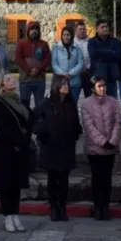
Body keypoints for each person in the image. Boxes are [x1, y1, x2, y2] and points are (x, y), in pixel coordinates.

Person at [34, 75, 83, 221]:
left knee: (64, 180)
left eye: (66, 84)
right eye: (62, 84)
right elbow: (34, 120)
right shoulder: (46, 103)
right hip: (51, 147)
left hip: (66, 146)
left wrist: (75, 134)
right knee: (53, 179)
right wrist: (43, 134)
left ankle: (63, 207)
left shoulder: (70, 103)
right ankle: (54, 208)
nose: (66, 86)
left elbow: (75, 123)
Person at [0, 74, 32, 233]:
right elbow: (3, 128)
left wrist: (25, 139)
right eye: (8, 80)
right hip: (5, 149)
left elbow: (29, 120)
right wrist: (18, 141)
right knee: (6, 184)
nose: (12, 81)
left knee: (16, 184)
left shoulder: (19, 102)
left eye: (12, 79)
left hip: (20, 149)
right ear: (1, 86)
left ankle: (15, 213)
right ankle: (7, 215)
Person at [79, 76, 121, 221]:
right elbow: (89, 126)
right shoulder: (85, 104)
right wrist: (102, 142)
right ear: (93, 88)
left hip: (110, 147)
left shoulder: (114, 102)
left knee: (107, 179)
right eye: (99, 86)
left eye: (104, 85)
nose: (102, 88)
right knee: (97, 179)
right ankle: (98, 207)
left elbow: (117, 123)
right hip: (95, 149)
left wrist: (112, 141)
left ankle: (105, 207)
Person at [14, 21, 50, 109]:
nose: (34, 31)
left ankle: (40, 123)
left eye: (36, 29)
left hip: (39, 80)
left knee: (40, 105)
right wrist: (29, 70)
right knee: (24, 106)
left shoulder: (44, 44)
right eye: (32, 29)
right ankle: (26, 122)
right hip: (25, 80)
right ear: (27, 31)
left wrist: (38, 69)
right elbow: (18, 59)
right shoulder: (21, 43)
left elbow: (47, 60)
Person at [89, 20, 121, 99]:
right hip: (97, 78)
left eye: (106, 26)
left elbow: (118, 55)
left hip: (112, 77)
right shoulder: (92, 41)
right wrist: (110, 52)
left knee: (112, 102)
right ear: (97, 28)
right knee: (97, 102)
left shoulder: (115, 41)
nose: (105, 29)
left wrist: (101, 53)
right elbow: (93, 54)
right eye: (102, 27)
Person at [52, 26, 84, 101]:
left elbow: (80, 63)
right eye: (64, 35)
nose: (66, 37)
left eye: (68, 35)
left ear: (72, 36)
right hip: (60, 82)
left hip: (74, 82)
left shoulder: (76, 48)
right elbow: (54, 63)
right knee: (60, 105)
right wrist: (63, 73)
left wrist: (71, 73)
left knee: (73, 105)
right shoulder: (56, 48)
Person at [74, 22, 93, 98]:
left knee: (90, 99)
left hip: (88, 74)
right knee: (73, 100)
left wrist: (88, 68)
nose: (82, 31)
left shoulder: (91, 42)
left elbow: (94, 56)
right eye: (80, 29)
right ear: (75, 31)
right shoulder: (72, 42)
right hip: (75, 75)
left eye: (84, 29)